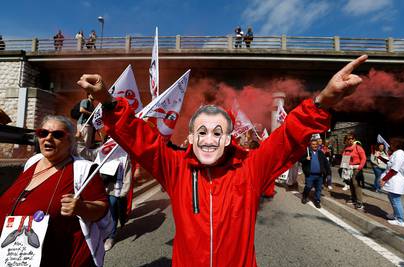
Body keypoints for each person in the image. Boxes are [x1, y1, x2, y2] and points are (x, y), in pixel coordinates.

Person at [77, 55, 368, 267]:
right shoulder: (176, 169)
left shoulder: (250, 169)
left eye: (218, 132)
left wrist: (323, 102)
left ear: (229, 139)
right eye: (201, 132)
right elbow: (143, 140)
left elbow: (287, 137)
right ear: (190, 138)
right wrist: (108, 100)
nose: (209, 139)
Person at [0, 115, 110, 266]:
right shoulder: (33, 162)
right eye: (43, 133)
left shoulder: (82, 169)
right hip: (16, 254)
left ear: (70, 141)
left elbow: (102, 209)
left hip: (61, 257)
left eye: (57, 135)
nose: (48, 138)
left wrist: (81, 207)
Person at [380, 137, 404, 227]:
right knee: (392, 197)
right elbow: (390, 163)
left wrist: (383, 179)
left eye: (391, 144)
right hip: (395, 181)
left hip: (398, 181)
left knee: (396, 199)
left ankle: (401, 220)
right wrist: (379, 157)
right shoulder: (397, 153)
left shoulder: (399, 154)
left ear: (396, 145)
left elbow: (394, 170)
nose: (390, 145)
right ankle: (396, 215)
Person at [300, 139, 331, 208]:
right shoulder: (307, 152)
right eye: (313, 144)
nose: (315, 145)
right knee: (308, 187)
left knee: (318, 188)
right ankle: (305, 196)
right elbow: (301, 160)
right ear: (310, 145)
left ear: (318, 145)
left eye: (316, 144)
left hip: (319, 175)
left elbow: (326, 163)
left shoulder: (320, 152)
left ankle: (317, 201)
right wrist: (306, 159)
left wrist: (328, 173)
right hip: (310, 175)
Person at [341, 133, 367, 209]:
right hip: (348, 169)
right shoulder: (346, 148)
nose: (350, 140)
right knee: (351, 184)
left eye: (352, 139)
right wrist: (344, 169)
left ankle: (360, 202)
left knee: (356, 185)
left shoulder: (358, 147)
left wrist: (360, 168)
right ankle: (353, 199)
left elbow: (364, 158)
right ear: (345, 141)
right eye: (348, 139)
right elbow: (345, 159)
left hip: (356, 168)